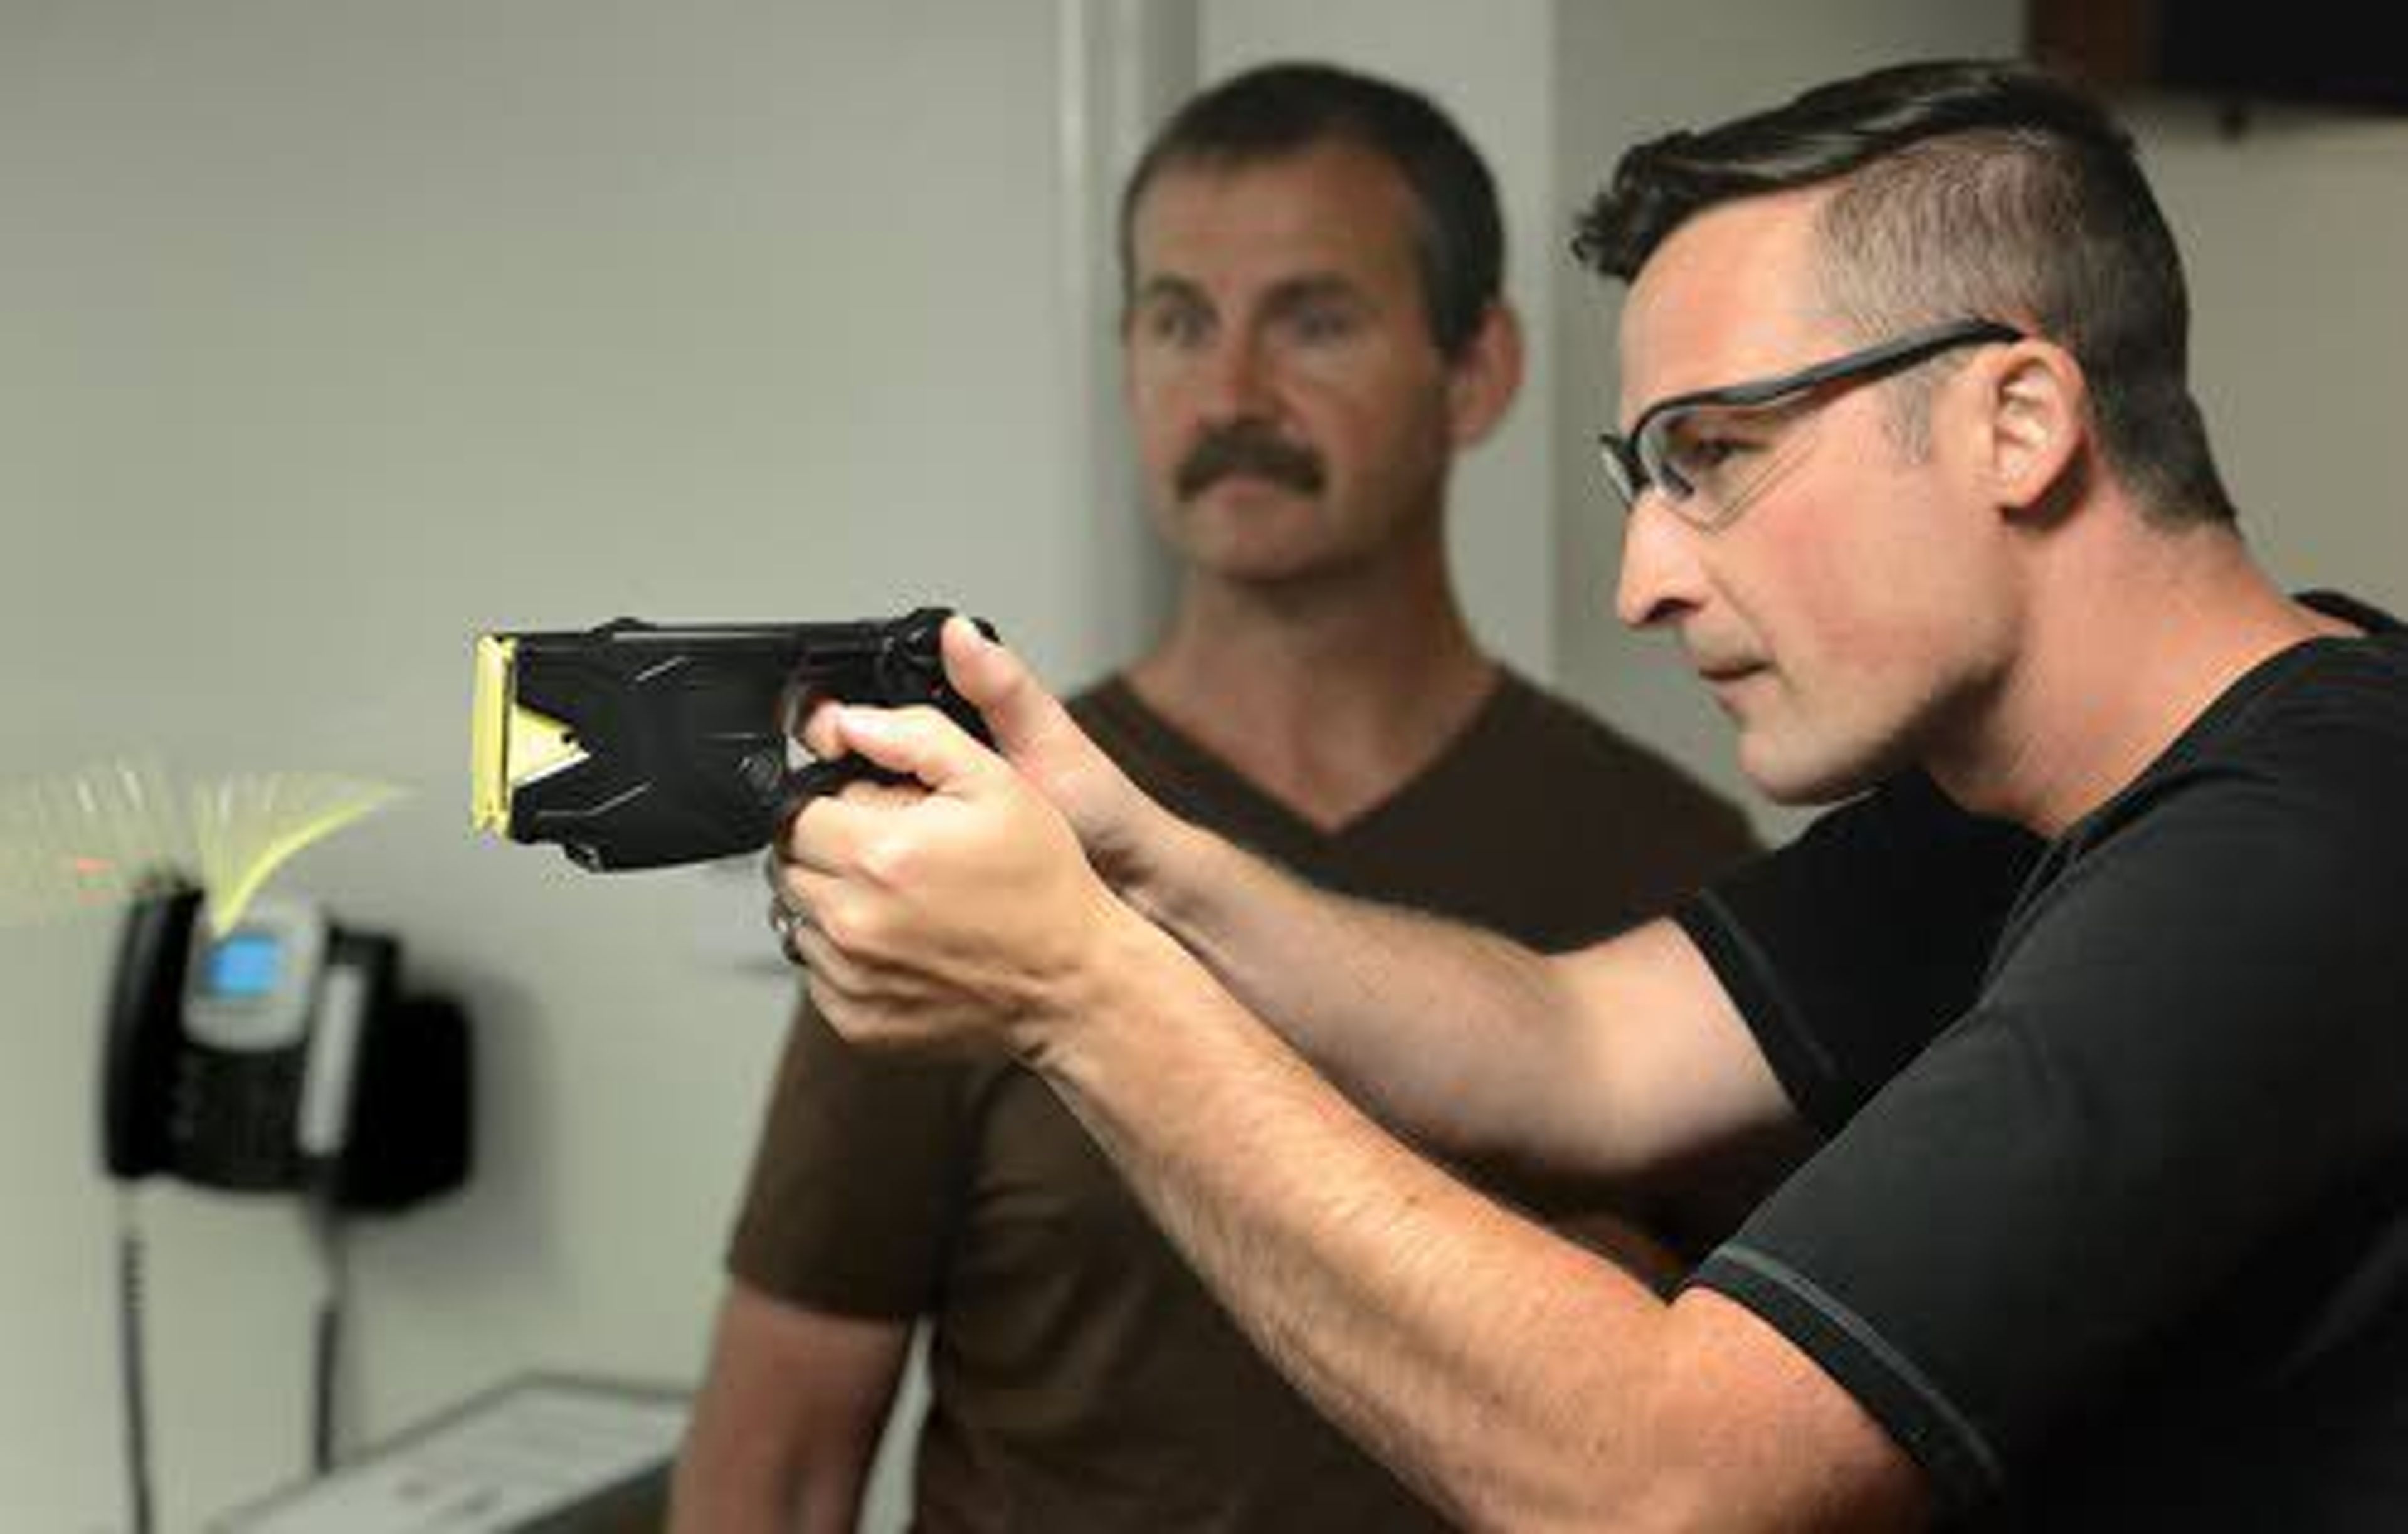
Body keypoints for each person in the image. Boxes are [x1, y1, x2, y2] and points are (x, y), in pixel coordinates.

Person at [771, 57, 2408, 1530]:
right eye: (1645, 476)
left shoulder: (2309, 844)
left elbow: (1668, 1482)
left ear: (2020, 421)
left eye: (1716, 456)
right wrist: (1135, 865)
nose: (1643, 576)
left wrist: (1081, 989)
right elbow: (1576, 1049)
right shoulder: (2036, 794)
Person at [672, 62, 1757, 1533]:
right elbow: (773, 1465)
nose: (1232, 393)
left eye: (1314, 321)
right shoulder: (956, 843)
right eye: (1180, 322)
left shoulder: (1670, 861)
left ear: (1476, 370)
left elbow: (1774, 1449)